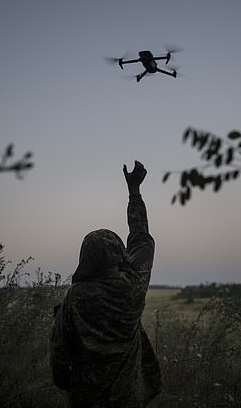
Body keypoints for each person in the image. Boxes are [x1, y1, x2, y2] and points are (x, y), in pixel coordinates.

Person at [49, 160, 162, 408]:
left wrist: (65, 382)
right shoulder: (133, 286)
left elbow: (59, 350)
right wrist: (134, 192)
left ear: (85, 258)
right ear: (119, 255)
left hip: (84, 399)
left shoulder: (74, 297)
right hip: (128, 399)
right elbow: (141, 237)